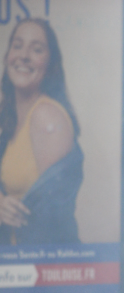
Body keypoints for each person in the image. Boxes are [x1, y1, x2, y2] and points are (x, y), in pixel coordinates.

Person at [0, 18, 82, 245]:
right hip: (15, 265)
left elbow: (50, 220)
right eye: (17, 46)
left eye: (36, 50)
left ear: (50, 65)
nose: (24, 55)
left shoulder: (45, 115)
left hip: (43, 267)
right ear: (7, 57)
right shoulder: (9, 119)